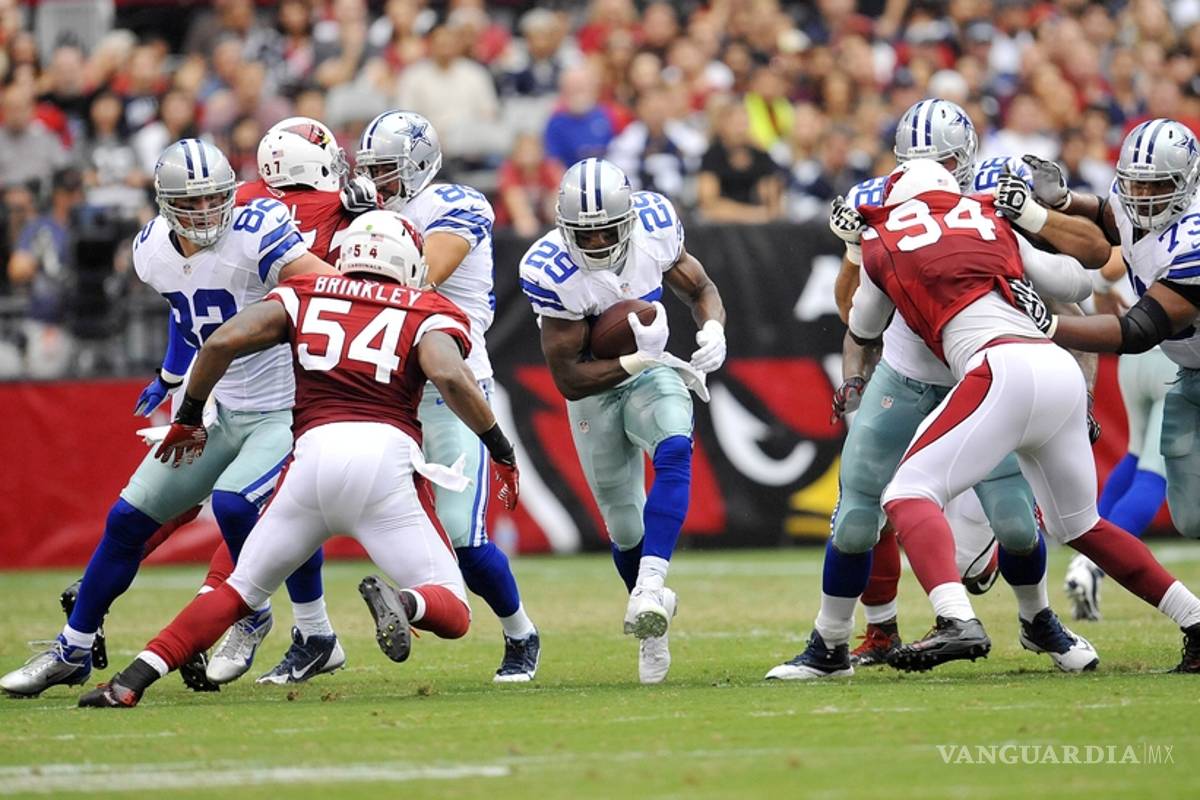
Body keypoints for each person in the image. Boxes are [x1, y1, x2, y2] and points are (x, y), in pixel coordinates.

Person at [77, 210, 520, 708]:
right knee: (453, 609)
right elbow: (451, 374)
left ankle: (131, 680)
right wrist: (500, 450)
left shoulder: (304, 291)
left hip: (310, 459)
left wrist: (189, 417)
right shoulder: (428, 307)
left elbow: (221, 341)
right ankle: (405, 601)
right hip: (385, 464)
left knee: (237, 591)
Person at [768, 99, 1107, 680]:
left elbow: (1073, 296)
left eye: (945, 158)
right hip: (906, 374)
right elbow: (855, 314)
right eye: (920, 160)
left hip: (984, 376)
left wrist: (1085, 395)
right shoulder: (877, 201)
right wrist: (853, 257)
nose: (935, 169)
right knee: (855, 516)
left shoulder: (999, 195)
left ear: (965, 157)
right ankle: (830, 645)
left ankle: (1038, 619)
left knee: (1018, 524)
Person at [0, 139, 332, 698]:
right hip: (217, 408)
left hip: (284, 407)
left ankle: (254, 612)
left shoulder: (257, 232)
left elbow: (325, 285)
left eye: (213, 200)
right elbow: (188, 314)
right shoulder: (151, 248)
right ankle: (74, 647)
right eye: (190, 203)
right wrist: (172, 375)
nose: (204, 213)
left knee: (232, 503)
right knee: (128, 519)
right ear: (163, 203)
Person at [846, 158, 1200, 673]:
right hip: (1056, 367)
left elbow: (862, 325)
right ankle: (1194, 618)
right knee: (1082, 524)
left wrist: (857, 249)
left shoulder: (884, 236)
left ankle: (955, 618)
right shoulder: (989, 220)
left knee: (905, 493)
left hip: (1000, 368)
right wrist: (1032, 220)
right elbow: (1077, 280)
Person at [517, 157, 727, 683]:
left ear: (628, 219)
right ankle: (652, 632)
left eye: (605, 232)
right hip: (594, 390)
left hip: (652, 374)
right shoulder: (551, 269)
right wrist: (634, 358)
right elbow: (569, 377)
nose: (593, 246)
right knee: (623, 522)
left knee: (676, 445)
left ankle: (651, 587)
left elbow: (701, 289)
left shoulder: (655, 225)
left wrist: (713, 329)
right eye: (582, 235)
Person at [355, 110, 541, 682]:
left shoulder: (457, 204)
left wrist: (358, 234)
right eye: (371, 171)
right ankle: (308, 631)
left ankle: (520, 633)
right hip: (382, 390)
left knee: (463, 534)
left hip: (449, 388)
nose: (377, 182)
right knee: (331, 506)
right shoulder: (362, 212)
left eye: (387, 171)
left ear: (416, 165)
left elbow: (418, 276)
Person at [1024, 121, 1200, 658]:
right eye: (1136, 184)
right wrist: (1064, 201)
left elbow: (1138, 330)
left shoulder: (1194, 237)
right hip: (1190, 375)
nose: (1143, 197)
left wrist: (1053, 326)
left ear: (1188, 182)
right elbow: (1112, 215)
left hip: (1174, 356)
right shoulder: (1130, 203)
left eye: (1157, 186)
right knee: (1191, 515)